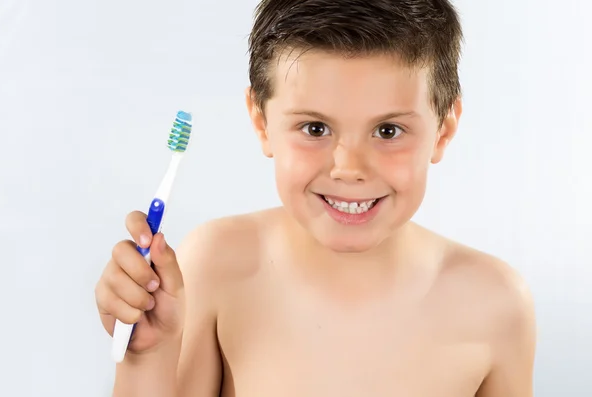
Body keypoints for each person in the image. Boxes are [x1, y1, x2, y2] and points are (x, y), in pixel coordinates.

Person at [95, 0, 537, 396]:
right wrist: (145, 356)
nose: (348, 167)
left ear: (444, 127)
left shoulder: (495, 304)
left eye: (388, 131)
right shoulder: (217, 266)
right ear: (261, 120)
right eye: (315, 129)